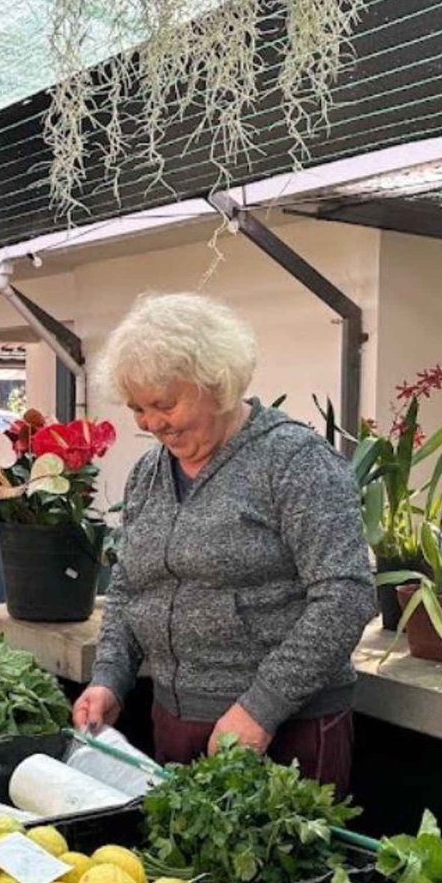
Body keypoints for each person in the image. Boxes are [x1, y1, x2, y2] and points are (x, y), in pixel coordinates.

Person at [72, 293, 375, 792]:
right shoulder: (149, 473)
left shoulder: (294, 462)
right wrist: (109, 678)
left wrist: (260, 709)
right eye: (138, 408)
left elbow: (344, 596)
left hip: (283, 731)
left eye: (164, 404)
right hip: (173, 723)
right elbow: (129, 589)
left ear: (217, 384)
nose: (150, 424)